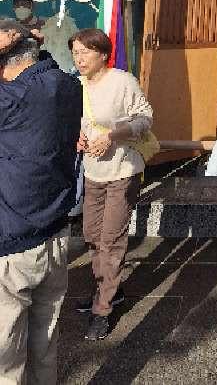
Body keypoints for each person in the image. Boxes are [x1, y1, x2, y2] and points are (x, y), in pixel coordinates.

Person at [0, 19, 82, 384]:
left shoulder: (11, 99)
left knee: (7, 355)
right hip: (55, 233)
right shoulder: (67, 86)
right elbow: (39, 66)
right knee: (45, 343)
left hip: (14, 239)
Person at [70, 28, 153, 341]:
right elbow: (79, 123)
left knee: (111, 240)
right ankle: (108, 289)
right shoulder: (77, 86)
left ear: (102, 54)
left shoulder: (122, 82)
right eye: (75, 53)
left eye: (85, 52)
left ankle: (103, 308)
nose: (79, 59)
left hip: (123, 169)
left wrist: (112, 135)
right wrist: (77, 138)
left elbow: (145, 119)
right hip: (93, 172)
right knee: (91, 234)